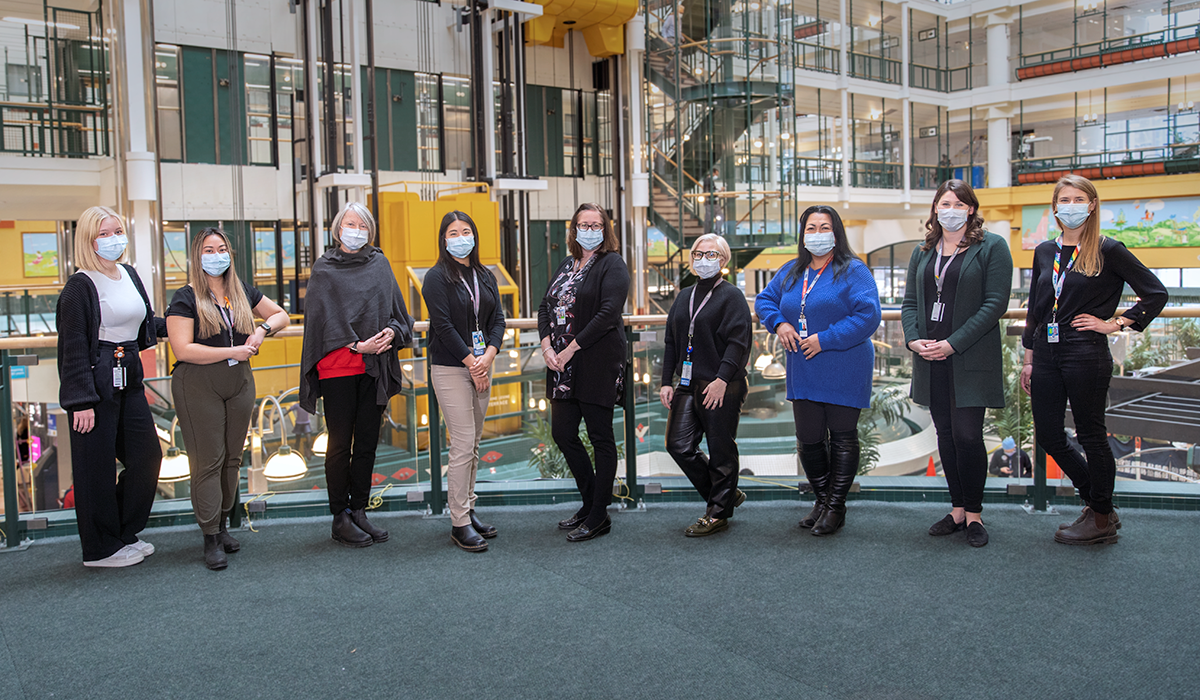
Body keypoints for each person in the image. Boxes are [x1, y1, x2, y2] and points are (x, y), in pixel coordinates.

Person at [1020, 174, 1167, 545]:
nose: (1070, 205)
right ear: (1054, 207)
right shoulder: (1044, 252)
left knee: (1090, 435)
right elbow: (1037, 311)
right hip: (1046, 351)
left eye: (1078, 198)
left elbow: (1155, 293)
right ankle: (1099, 502)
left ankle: (1100, 518)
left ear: (1092, 205)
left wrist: (1114, 323)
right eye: (1064, 199)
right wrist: (1029, 358)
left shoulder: (1108, 249)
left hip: (1085, 350)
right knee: (1050, 435)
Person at [166, 227, 289, 570]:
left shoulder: (241, 292)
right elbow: (183, 349)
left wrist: (262, 329)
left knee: (233, 458)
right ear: (197, 256)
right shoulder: (185, 298)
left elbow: (280, 314)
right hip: (198, 384)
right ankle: (209, 537)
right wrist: (234, 349)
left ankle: (222, 527)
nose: (216, 255)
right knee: (209, 460)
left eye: (222, 249)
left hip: (240, 382)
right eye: (209, 249)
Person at [755, 205, 881, 536]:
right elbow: (764, 300)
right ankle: (824, 501)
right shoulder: (792, 271)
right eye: (810, 228)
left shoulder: (854, 270)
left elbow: (867, 316)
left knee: (842, 437)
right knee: (809, 439)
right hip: (803, 366)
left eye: (824, 227)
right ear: (802, 234)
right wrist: (779, 323)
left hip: (845, 363)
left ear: (836, 233)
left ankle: (835, 507)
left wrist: (824, 339)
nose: (817, 234)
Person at [901, 179, 1013, 548]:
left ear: (970, 209)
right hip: (930, 357)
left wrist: (953, 344)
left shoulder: (992, 247)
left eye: (958, 203)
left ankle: (976, 513)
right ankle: (958, 509)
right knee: (945, 436)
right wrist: (913, 338)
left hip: (968, 356)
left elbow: (994, 304)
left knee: (967, 435)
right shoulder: (924, 250)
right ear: (935, 208)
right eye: (943, 203)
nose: (950, 209)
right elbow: (909, 304)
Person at [299, 202, 413, 548]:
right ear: (337, 229)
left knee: (366, 442)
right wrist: (355, 345)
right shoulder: (324, 269)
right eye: (350, 224)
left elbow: (398, 313)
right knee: (338, 443)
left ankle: (360, 510)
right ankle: (340, 517)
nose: (356, 230)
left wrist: (392, 333)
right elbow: (321, 322)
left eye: (362, 225)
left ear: (370, 231)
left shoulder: (379, 264)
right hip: (337, 368)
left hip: (374, 367)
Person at [56, 206, 163, 567]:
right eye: (104, 233)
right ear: (89, 240)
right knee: (95, 466)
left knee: (147, 456)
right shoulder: (79, 286)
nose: (114, 238)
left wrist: (192, 319)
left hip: (129, 372)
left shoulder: (129, 274)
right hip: (96, 373)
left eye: (117, 230)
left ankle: (121, 531)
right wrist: (80, 401)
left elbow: (147, 321)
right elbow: (71, 346)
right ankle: (99, 548)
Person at [538, 203, 630, 542]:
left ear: (606, 229)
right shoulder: (566, 264)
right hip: (561, 365)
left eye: (596, 224)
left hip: (596, 361)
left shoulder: (612, 264)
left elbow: (608, 313)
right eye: (583, 224)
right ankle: (591, 502)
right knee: (563, 433)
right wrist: (548, 348)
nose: (589, 229)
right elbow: (545, 306)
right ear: (573, 228)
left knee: (601, 437)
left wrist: (570, 348)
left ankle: (599, 515)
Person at [422, 211, 506, 552]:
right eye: (453, 232)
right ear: (444, 239)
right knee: (462, 442)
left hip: (482, 365)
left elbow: (498, 319)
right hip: (451, 367)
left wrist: (488, 357)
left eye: (466, 231)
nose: (460, 237)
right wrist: (472, 362)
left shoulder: (485, 275)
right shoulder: (436, 277)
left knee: (473, 445)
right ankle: (458, 522)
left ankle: (469, 510)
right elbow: (442, 325)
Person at [659, 234, 752, 537]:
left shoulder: (732, 295)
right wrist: (666, 382)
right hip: (687, 383)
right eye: (698, 254)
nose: (703, 260)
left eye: (711, 255)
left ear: (723, 261)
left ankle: (717, 513)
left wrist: (722, 380)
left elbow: (738, 343)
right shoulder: (684, 296)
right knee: (678, 445)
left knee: (720, 448)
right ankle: (723, 493)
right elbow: (672, 340)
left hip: (722, 384)